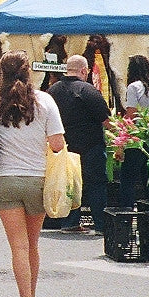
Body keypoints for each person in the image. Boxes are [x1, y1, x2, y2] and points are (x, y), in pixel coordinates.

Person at [0, 54, 66, 297]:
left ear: (1, 73)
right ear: (29, 73)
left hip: (4, 181)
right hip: (38, 181)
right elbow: (57, 144)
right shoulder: (44, 101)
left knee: (17, 246)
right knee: (32, 244)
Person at [48, 54, 111, 234]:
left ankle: (70, 222)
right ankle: (100, 224)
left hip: (64, 147)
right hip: (91, 146)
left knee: (69, 184)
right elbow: (106, 121)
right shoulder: (88, 91)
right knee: (96, 184)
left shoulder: (52, 91)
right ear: (84, 71)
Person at [119, 54, 149, 207]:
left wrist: (122, 140)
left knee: (128, 178)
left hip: (138, 138)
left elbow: (131, 115)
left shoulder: (133, 87)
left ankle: (127, 211)